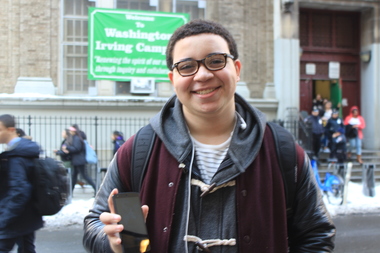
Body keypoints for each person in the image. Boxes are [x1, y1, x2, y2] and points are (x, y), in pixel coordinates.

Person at [83, 19, 335, 252]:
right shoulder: (138, 151)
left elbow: (317, 234)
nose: (202, 75)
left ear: (236, 69)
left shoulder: (282, 150)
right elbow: (94, 224)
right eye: (187, 66)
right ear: (173, 79)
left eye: (215, 61)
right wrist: (113, 243)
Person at [0, 114, 43, 252]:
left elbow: (20, 190)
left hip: (15, 217)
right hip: (27, 214)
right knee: (27, 248)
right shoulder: (21, 150)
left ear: (11, 129)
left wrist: (4, 218)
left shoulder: (16, 155)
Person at [62, 126, 96, 193]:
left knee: (84, 176)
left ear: (73, 131)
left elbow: (77, 148)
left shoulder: (76, 138)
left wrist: (67, 148)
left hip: (79, 161)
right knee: (74, 176)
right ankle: (70, 192)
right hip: (77, 161)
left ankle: (96, 188)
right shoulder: (76, 138)